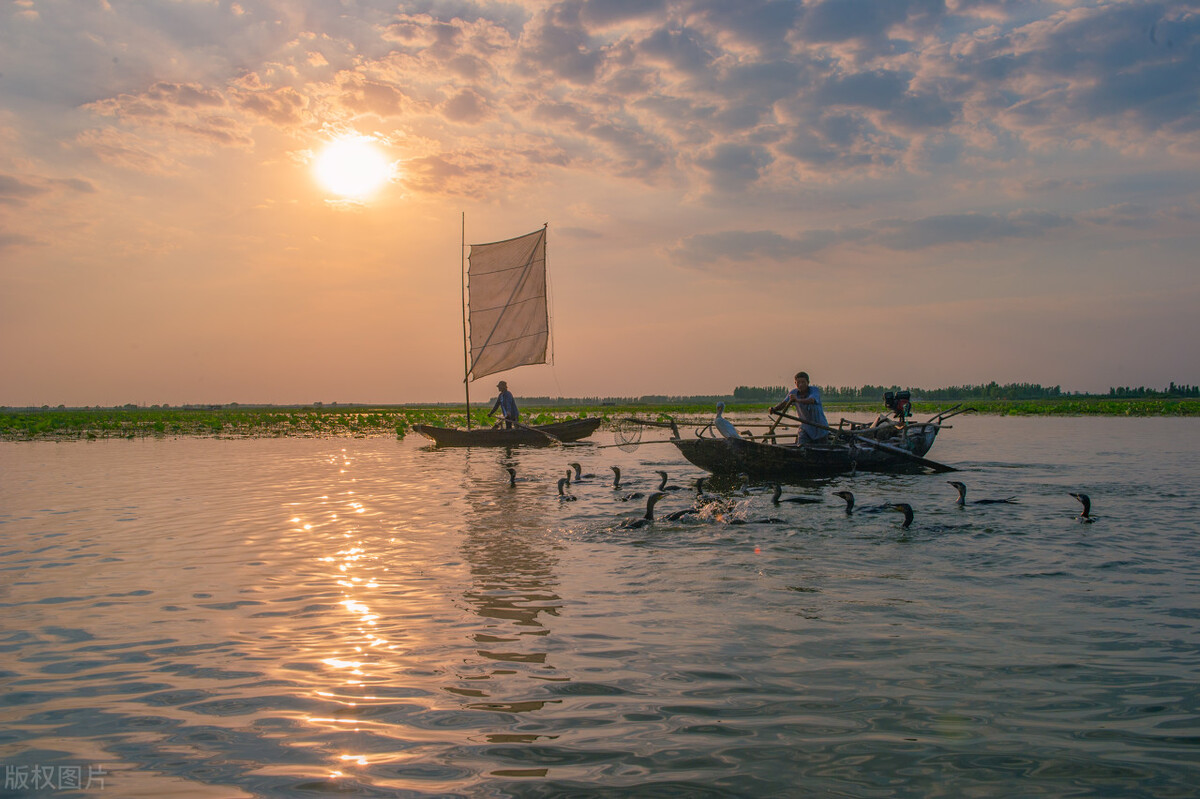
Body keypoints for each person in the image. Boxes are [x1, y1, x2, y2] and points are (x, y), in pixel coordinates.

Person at [769, 371, 830, 445]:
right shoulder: (793, 393)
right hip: (806, 428)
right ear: (795, 383)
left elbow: (811, 400)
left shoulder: (814, 390)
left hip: (820, 427)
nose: (800, 385)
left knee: (822, 448)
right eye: (798, 382)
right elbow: (784, 404)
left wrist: (797, 400)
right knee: (800, 446)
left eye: (803, 382)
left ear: (808, 382)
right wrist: (774, 409)